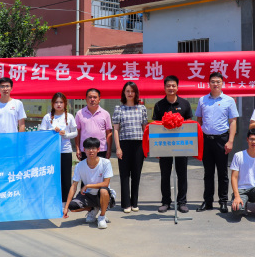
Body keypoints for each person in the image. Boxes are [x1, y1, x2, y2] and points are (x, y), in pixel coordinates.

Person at [196, 72, 239, 213]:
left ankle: (223, 201)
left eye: (218, 81)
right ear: (209, 83)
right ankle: (207, 201)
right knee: (208, 172)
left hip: (222, 140)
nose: (215, 84)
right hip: (206, 140)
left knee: (222, 172)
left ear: (222, 84)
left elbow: (233, 122)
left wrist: (230, 141)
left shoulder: (229, 100)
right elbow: (199, 120)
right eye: (213, 81)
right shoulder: (202, 100)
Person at [153, 75, 193, 213]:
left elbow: (189, 124)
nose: (171, 88)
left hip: (181, 145)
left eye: (173, 85)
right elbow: (155, 126)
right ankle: (166, 202)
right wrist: (156, 149)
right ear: (164, 88)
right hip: (164, 146)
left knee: (182, 175)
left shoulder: (185, 104)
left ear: (177, 87)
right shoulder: (159, 105)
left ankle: (182, 202)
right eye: (168, 86)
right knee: (165, 175)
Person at [63, 137, 115, 229]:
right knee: (72, 206)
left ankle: (102, 217)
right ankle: (92, 209)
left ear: (98, 150)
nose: (91, 151)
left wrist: (88, 185)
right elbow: (74, 186)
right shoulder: (80, 165)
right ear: (84, 150)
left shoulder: (106, 163)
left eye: (93, 148)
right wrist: (66, 207)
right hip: (88, 196)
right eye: (88, 148)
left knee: (103, 190)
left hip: (103, 195)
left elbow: (106, 184)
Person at [113, 82, 148, 213]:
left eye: (132, 91)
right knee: (124, 175)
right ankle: (126, 204)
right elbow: (116, 130)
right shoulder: (119, 108)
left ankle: (134, 203)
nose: (130, 93)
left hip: (139, 144)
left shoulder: (142, 108)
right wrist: (118, 148)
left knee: (136, 174)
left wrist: (146, 146)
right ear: (124, 93)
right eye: (127, 91)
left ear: (136, 93)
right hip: (124, 144)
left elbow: (145, 128)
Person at [40, 92, 77, 202]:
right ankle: (52, 200)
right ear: (52, 103)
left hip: (65, 151)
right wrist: (52, 130)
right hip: (51, 152)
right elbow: (41, 133)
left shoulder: (69, 117)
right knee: (52, 176)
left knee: (66, 177)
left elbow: (75, 133)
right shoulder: (47, 117)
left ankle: (66, 202)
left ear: (65, 103)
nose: (59, 104)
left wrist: (65, 135)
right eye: (56, 102)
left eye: (61, 102)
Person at [75, 88, 112, 160]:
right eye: (90, 97)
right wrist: (77, 149)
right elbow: (77, 132)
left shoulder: (105, 114)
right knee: (85, 167)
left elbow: (109, 133)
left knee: (100, 167)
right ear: (86, 99)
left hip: (101, 149)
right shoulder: (79, 113)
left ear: (99, 99)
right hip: (85, 149)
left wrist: (109, 150)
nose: (92, 99)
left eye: (95, 97)